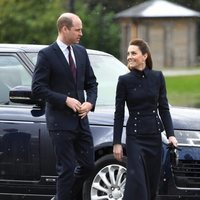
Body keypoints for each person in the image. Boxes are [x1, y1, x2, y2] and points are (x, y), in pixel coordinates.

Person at [32, 13, 98, 200]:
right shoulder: (46, 55)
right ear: (64, 29)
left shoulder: (81, 52)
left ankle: (62, 196)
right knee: (66, 168)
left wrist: (90, 102)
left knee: (88, 165)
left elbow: (92, 84)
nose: (81, 34)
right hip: (60, 123)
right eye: (78, 30)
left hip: (81, 121)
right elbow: (37, 88)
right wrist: (65, 100)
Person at [113, 38, 178, 200]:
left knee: (151, 183)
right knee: (137, 182)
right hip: (135, 138)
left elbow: (163, 108)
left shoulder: (157, 77)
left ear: (145, 56)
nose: (129, 56)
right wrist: (117, 143)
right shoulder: (124, 81)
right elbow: (119, 113)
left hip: (154, 137)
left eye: (133, 53)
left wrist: (171, 134)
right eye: (128, 53)